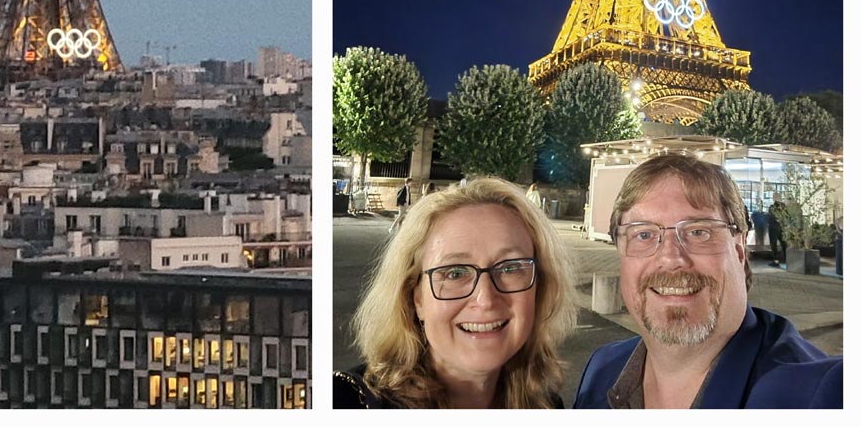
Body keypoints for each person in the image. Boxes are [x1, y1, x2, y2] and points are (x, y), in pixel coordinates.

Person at [574, 154, 842, 408]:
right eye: (643, 235)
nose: (670, 258)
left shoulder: (815, 394)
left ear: (739, 250)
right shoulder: (601, 371)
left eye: (698, 232)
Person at [334, 177, 576, 408]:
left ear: (539, 289)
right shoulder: (343, 402)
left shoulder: (546, 406)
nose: (485, 299)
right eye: (455, 273)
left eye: (510, 268)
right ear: (416, 298)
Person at [767, 194, 788, 267]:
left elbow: (770, 217)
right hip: (782, 228)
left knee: (774, 244)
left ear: (775, 198)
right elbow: (787, 217)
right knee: (784, 244)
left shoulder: (772, 207)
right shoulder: (784, 207)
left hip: (773, 228)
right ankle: (787, 259)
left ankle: (776, 260)